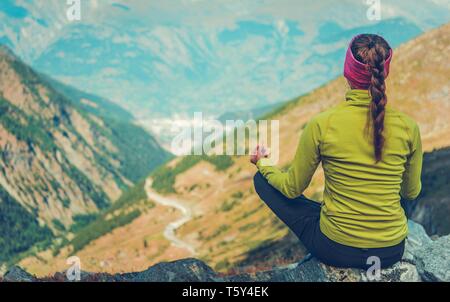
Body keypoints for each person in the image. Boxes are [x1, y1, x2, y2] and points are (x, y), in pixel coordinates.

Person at [251, 34, 423, 269]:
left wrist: (263, 164)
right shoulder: (409, 127)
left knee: (262, 181)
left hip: (336, 249)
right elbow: (411, 192)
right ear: (385, 72)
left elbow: (292, 189)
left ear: (347, 72)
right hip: (390, 250)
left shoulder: (323, 124)